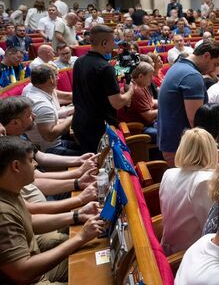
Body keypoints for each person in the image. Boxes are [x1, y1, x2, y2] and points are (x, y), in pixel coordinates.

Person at [0, 135, 105, 284]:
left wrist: (78, 215)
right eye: (31, 160)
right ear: (16, 166)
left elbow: (30, 220)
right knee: (97, 275)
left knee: (94, 254)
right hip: (31, 279)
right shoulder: (3, 213)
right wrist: (80, 237)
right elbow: (22, 271)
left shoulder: (9, 190)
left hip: (34, 269)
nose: (35, 164)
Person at [157, 40, 219, 166]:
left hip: (172, 141)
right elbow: (196, 121)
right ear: (206, 56)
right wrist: (212, 146)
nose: (215, 69)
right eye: (215, 64)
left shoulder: (179, 66)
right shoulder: (192, 76)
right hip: (182, 147)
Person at [72, 25, 134, 154]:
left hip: (79, 122)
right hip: (98, 127)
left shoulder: (79, 61)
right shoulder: (105, 68)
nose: (115, 45)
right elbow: (117, 103)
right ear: (104, 43)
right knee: (101, 167)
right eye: (113, 41)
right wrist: (130, 91)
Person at [160, 128, 218, 256]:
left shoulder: (169, 173)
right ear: (211, 151)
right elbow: (211, 230)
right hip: (188, 255)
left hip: (167, 246)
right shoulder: (204, 181)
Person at [23, 65, 79, 156]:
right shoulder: (42, 105)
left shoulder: (31, 87)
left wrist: (73, 110)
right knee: (90, 152)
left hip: (53, 142)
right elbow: (49, 136)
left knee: (86, 145)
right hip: (50, 149)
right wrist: (71, 118)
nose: (58, 78)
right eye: (55, 76)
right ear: (51, 79)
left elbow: (52, 114)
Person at [117, 63, 158, 140]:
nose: (152, 79)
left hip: (145, 123)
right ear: (141, 76)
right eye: (150, 76)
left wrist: (166, 102)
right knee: (168, 132)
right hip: (137, 128)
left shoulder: (140, 84)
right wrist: (165, 108)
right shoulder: (136, 90)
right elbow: (149, 116)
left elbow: (151, 102)